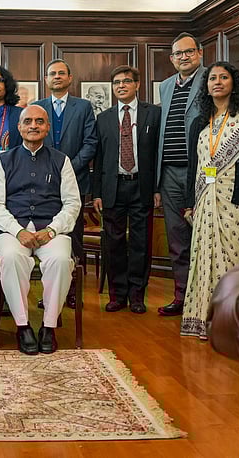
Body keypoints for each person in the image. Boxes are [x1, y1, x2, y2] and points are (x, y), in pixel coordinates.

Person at [0, 105, 81, 355]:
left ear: (47, 127)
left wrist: (51, 230)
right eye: (27, 121)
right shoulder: (3, 161)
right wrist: (18, 231)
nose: (33, 126)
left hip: (51, 230)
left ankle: (49, 327)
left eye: (39, 121)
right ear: (19, 127)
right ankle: (23, 325)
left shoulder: (62, 161)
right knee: (10, 257)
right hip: (11, 231)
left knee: (61, 260)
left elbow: (72, 203)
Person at [181, 62, 239, 340]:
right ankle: (205, 319)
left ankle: (235, 323)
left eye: (223, 77)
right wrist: (189, 202)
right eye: (212, 78)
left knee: (236, 259)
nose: (217, 82)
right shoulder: (199, 123)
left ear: (233, 82)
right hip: (205, 200)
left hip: (235, 200)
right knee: (204, 259)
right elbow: (193, 166)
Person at [93, 65, 161, 314]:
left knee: (141, 243)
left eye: (126, 81)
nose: (121, 86)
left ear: (137, 85)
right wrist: (97, 192)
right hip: (113, 187)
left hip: (142, 186)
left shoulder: (154, 114)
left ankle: (137, 295)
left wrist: (157, 188)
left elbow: (157, 154)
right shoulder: (104, 118)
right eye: (116, 83)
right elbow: (98, 158)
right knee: (114, 243)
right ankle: (117, 295)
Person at [32, 59, 96, 309]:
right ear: (46, 80)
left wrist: (68, 168)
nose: (56, 77)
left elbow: (90, 143)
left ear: (70, 78)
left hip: (75, 182)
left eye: (61, 73)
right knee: (47, 238)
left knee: (74, 237)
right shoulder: (38, 107)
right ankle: (47, 293)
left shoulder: (83, 107)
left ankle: (71, 293)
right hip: (43, 186)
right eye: (52, 74)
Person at [155, 32, 207, 317]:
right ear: (172, 59)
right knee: (177, 238)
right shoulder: (165, 86)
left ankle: (206, 299)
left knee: (205, 235)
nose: (183, 57)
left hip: (201, 171)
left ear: (199, 53)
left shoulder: (211, 78)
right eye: (178, 54)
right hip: (170, 173)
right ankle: (183, 296)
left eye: (188, 52)